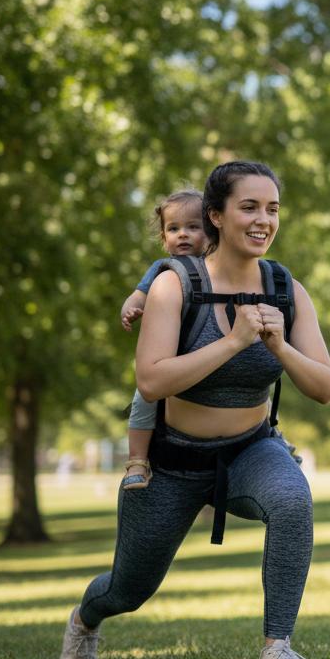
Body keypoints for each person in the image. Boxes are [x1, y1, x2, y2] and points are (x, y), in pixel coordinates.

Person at [59, 161, 330, 659]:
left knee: (293, 499)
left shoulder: (285, 289)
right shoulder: (175, 285)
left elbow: (324, 387)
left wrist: (279, 343)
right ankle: (83, 620)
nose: (263, 220)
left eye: (272, 208)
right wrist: (233, 342)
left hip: (251, 449)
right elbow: (152, 381)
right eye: (248, 207)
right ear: (215, 216)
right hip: (171, 461)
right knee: (129, 588)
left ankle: (277, 648)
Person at [118, 189, 208, 491]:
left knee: (246, 380)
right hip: (168, 359)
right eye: (173, 228)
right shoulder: (164, 269)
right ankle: (137, 460)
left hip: (207, 353)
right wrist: (130, 308)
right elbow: (138, 294)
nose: (183, 235)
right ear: (163, 237)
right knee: (144, 399)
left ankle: (269, 439)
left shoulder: (219, 268)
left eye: (193, 227)